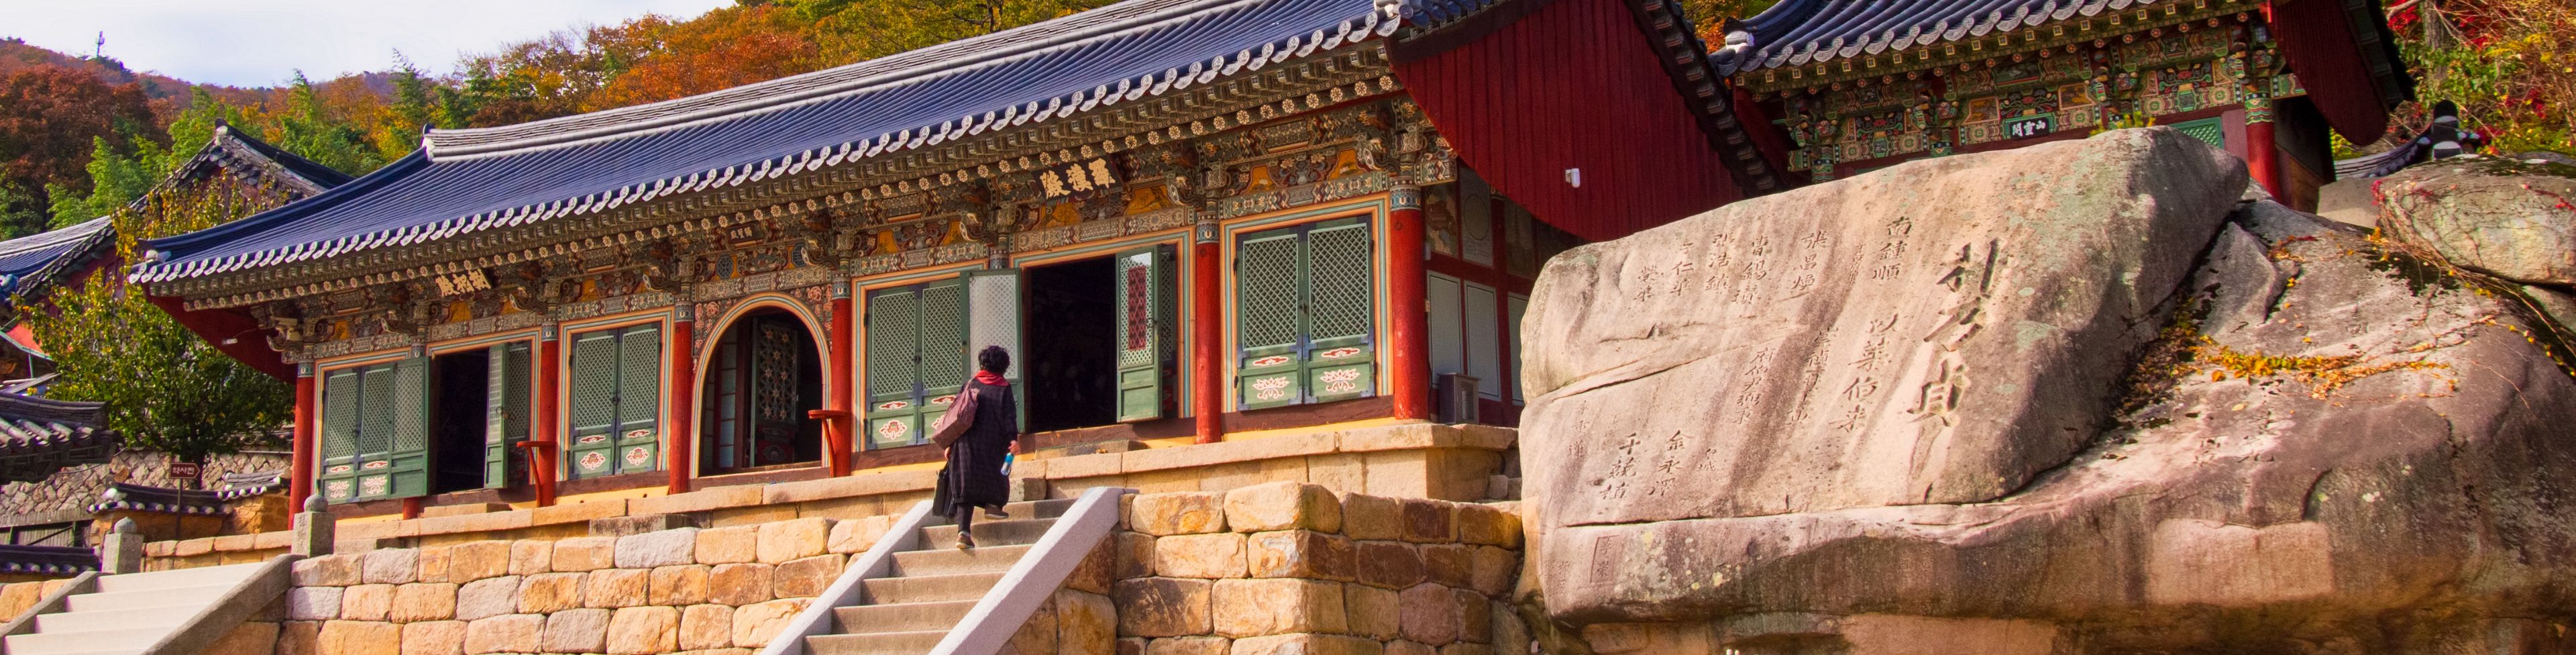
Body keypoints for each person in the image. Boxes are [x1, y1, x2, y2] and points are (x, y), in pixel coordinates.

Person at [935, 346, 1020, 549]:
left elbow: (956, 415)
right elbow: (1009, 417)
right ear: (1004, 367)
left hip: (965, 443)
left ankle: (963, 533)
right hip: (993, 443)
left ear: (983, 364)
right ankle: (993, 506)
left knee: (965, 485)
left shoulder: (970, 384)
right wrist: (1013, 440)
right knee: (995, 476)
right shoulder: (1004, 388)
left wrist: (950, 443)